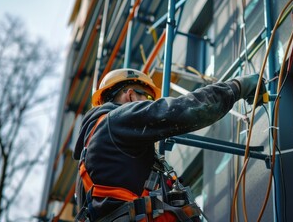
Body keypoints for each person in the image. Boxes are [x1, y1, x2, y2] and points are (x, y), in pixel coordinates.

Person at [73, 68, 266, 221]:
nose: (149, 104)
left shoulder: (90, 157)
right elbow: (186, 109)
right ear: (130, 95)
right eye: (148, 99)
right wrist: (239, 86)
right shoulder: (116, 120)